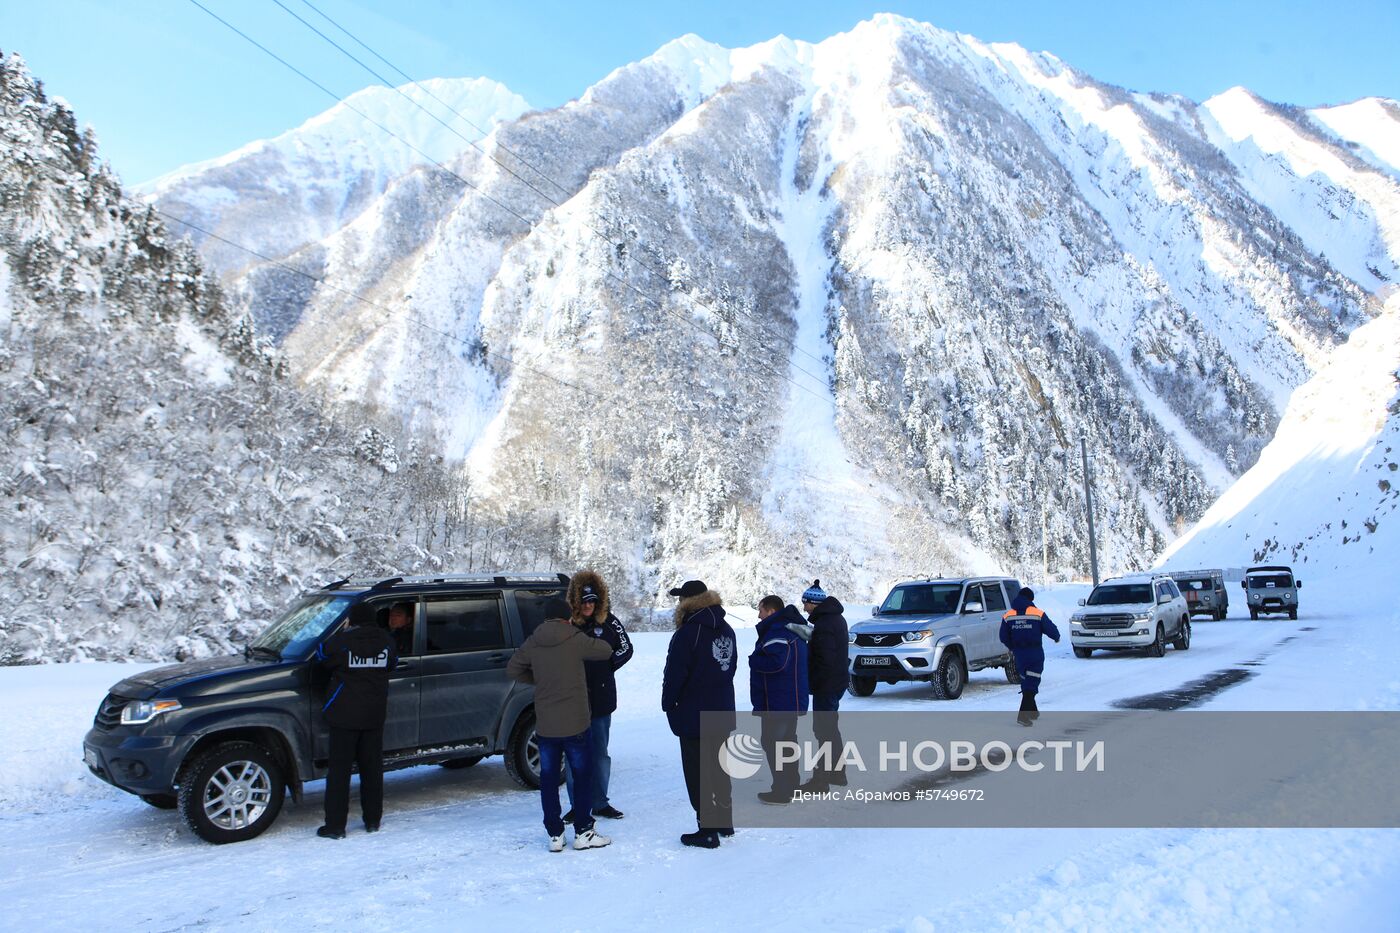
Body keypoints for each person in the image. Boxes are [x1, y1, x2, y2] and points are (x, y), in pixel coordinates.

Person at [506, 596, 615, 852]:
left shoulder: (534, 640)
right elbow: (605, 651)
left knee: (548, 778)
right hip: (576, 722)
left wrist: (538, 679)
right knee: (582, 775)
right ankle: (583, 831)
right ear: (568, 617)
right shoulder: (575, 638)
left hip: (546, 725)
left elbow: (512, 669)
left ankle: (555, 835)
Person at [660, 579, 737, 849]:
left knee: (697, 771)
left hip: (694, 712)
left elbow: (674, 675)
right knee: (719, 767)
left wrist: (668, 704)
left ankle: (707, 829)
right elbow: (730, 668)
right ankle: (724, 820)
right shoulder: (726, 628)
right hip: (723, 707)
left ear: (688, 602)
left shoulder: (688, 633)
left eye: (681, 598)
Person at [314, 600, 401, 839]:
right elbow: (393, 664)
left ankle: (335, 827)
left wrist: (343, 631)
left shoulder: (342, 642)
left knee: (339, 774)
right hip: (374, 715)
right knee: (372, 770)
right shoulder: (386, 641)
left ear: (351, 619)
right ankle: (372, 820)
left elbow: (321, 656)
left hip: (343, 716)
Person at [562, 570, 634, 824]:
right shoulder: (566, 623)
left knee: (599, 754)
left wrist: (607, 666)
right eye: (584, 602)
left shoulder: (610, 622)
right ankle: (576, 805)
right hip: (572, 702)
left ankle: (600, 802)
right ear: (576, 603)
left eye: (593, 601)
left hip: (602, 701)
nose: (589, 606)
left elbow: (626, 648)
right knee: (574, 757)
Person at [749, 595, 809, 804]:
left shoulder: (778, 631)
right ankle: (791, 785)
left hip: (779, 699)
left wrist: (754, 660)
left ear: (771, 611)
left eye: (761, 610)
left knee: (774, 743)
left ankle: (782, 791)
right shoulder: (790, 628)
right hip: (788, 697)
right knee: (786, 741)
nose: (759, 615)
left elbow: (778, 663)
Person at [798, 580, 849, 792]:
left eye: (805, 603)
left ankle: (822, 779)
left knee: (824, 730)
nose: (804, 607)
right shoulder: (834, 619)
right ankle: (837, 774)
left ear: (814, 603)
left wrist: (813, 679)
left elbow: (825, 658)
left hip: (826, 684)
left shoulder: (825, 624)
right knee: (830, 729)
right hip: (834, 682)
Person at [1000, 587, 1061, 726]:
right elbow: (1050, 628)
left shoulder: (1008, 615)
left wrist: (1013, 647)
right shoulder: (1037, 613)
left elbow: (1003, 636)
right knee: (1031, 683)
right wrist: (1056, 637)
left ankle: (1033, 711)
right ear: (1030, 599)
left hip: (1019, 654)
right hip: (1034, 653)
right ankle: (1023, 716)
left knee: (1026, 680)